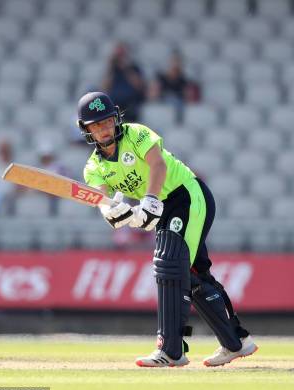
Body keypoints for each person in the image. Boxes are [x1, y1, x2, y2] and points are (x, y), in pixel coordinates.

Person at [77, 91, 257, 367]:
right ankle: (236, 341)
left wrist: (148, 199)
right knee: (190, 272)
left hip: (186, 195)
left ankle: (171, 350)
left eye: (106, 121)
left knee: (169, 264)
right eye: (95, 125)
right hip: (165, 205)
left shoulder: (136, 134)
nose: (103, 129)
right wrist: (110, 211)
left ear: (116, 119)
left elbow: (157, 164)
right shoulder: (94, 167)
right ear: (86, 130)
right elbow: (103, 198)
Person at [147, 52, 200, 121]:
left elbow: (189, 98)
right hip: (162, 105)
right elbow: (152, 95)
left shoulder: (184, 80)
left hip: (179, 108)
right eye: (173, 62)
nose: (175, 65)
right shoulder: (160, 78)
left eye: (177, 63)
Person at [101, 42, 146, 122]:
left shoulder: (133, 67)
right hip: (114, 105)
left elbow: (138, 85)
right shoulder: (112, 70)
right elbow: (105, 87)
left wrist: (126, 68)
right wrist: (111, 68)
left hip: (130, 105)